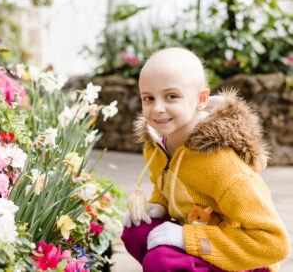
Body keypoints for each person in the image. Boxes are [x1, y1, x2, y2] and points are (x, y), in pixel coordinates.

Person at [121, 48, 290, 272]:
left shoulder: (222, 165)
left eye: (171, 96)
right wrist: (159, 205)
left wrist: (186, 238)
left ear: (201, 99)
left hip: (245, 259)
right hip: (200, 231)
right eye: (148, 98)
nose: (157, 108)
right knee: (137, 231)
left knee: (161, 261)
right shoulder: (156, 146)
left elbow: (275, 244)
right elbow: (167, 181)